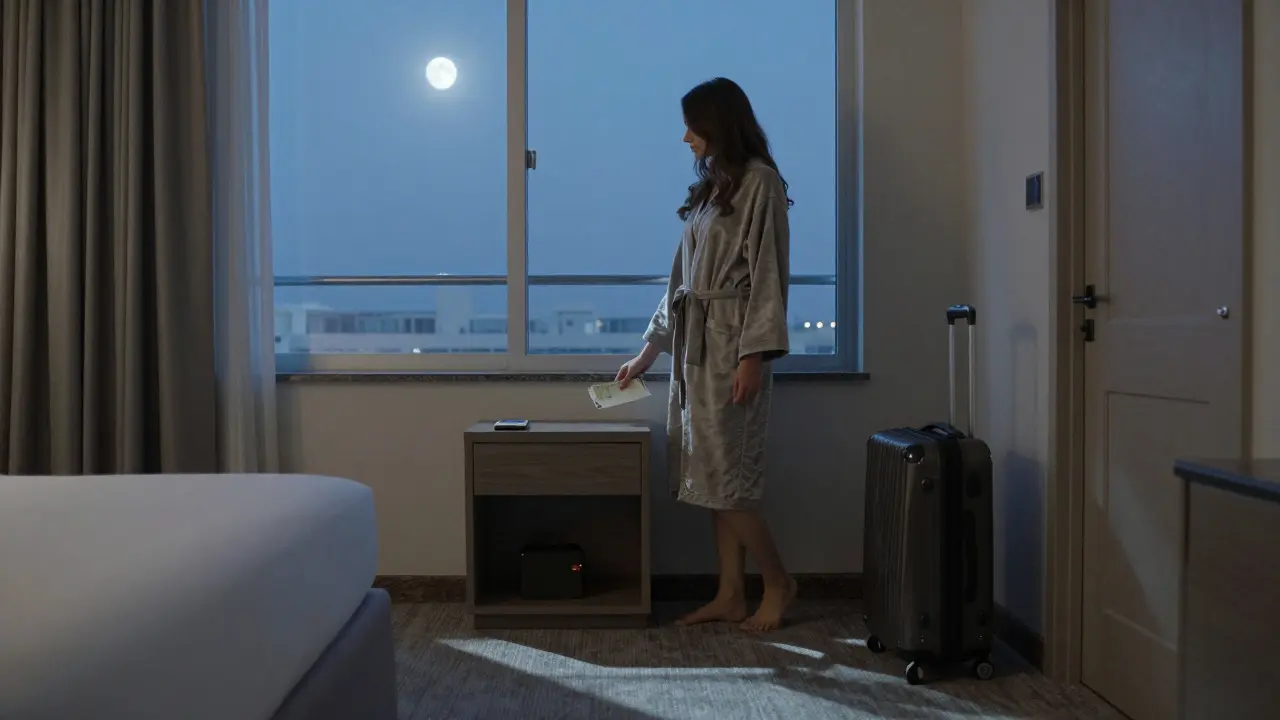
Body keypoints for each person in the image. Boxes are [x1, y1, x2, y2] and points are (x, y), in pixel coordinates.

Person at [616, 77, 796, 632]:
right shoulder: (712, 191)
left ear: (719, 124)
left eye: (693, 126)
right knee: (712, 479)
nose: (686, 138)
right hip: (695, 352)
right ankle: (729, 594)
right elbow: (681, 281)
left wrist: (753, 356)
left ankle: (779, 583)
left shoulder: (760, 184)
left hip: (731, 346)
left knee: (731, 481)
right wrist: (649, 351)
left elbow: (768, 272)